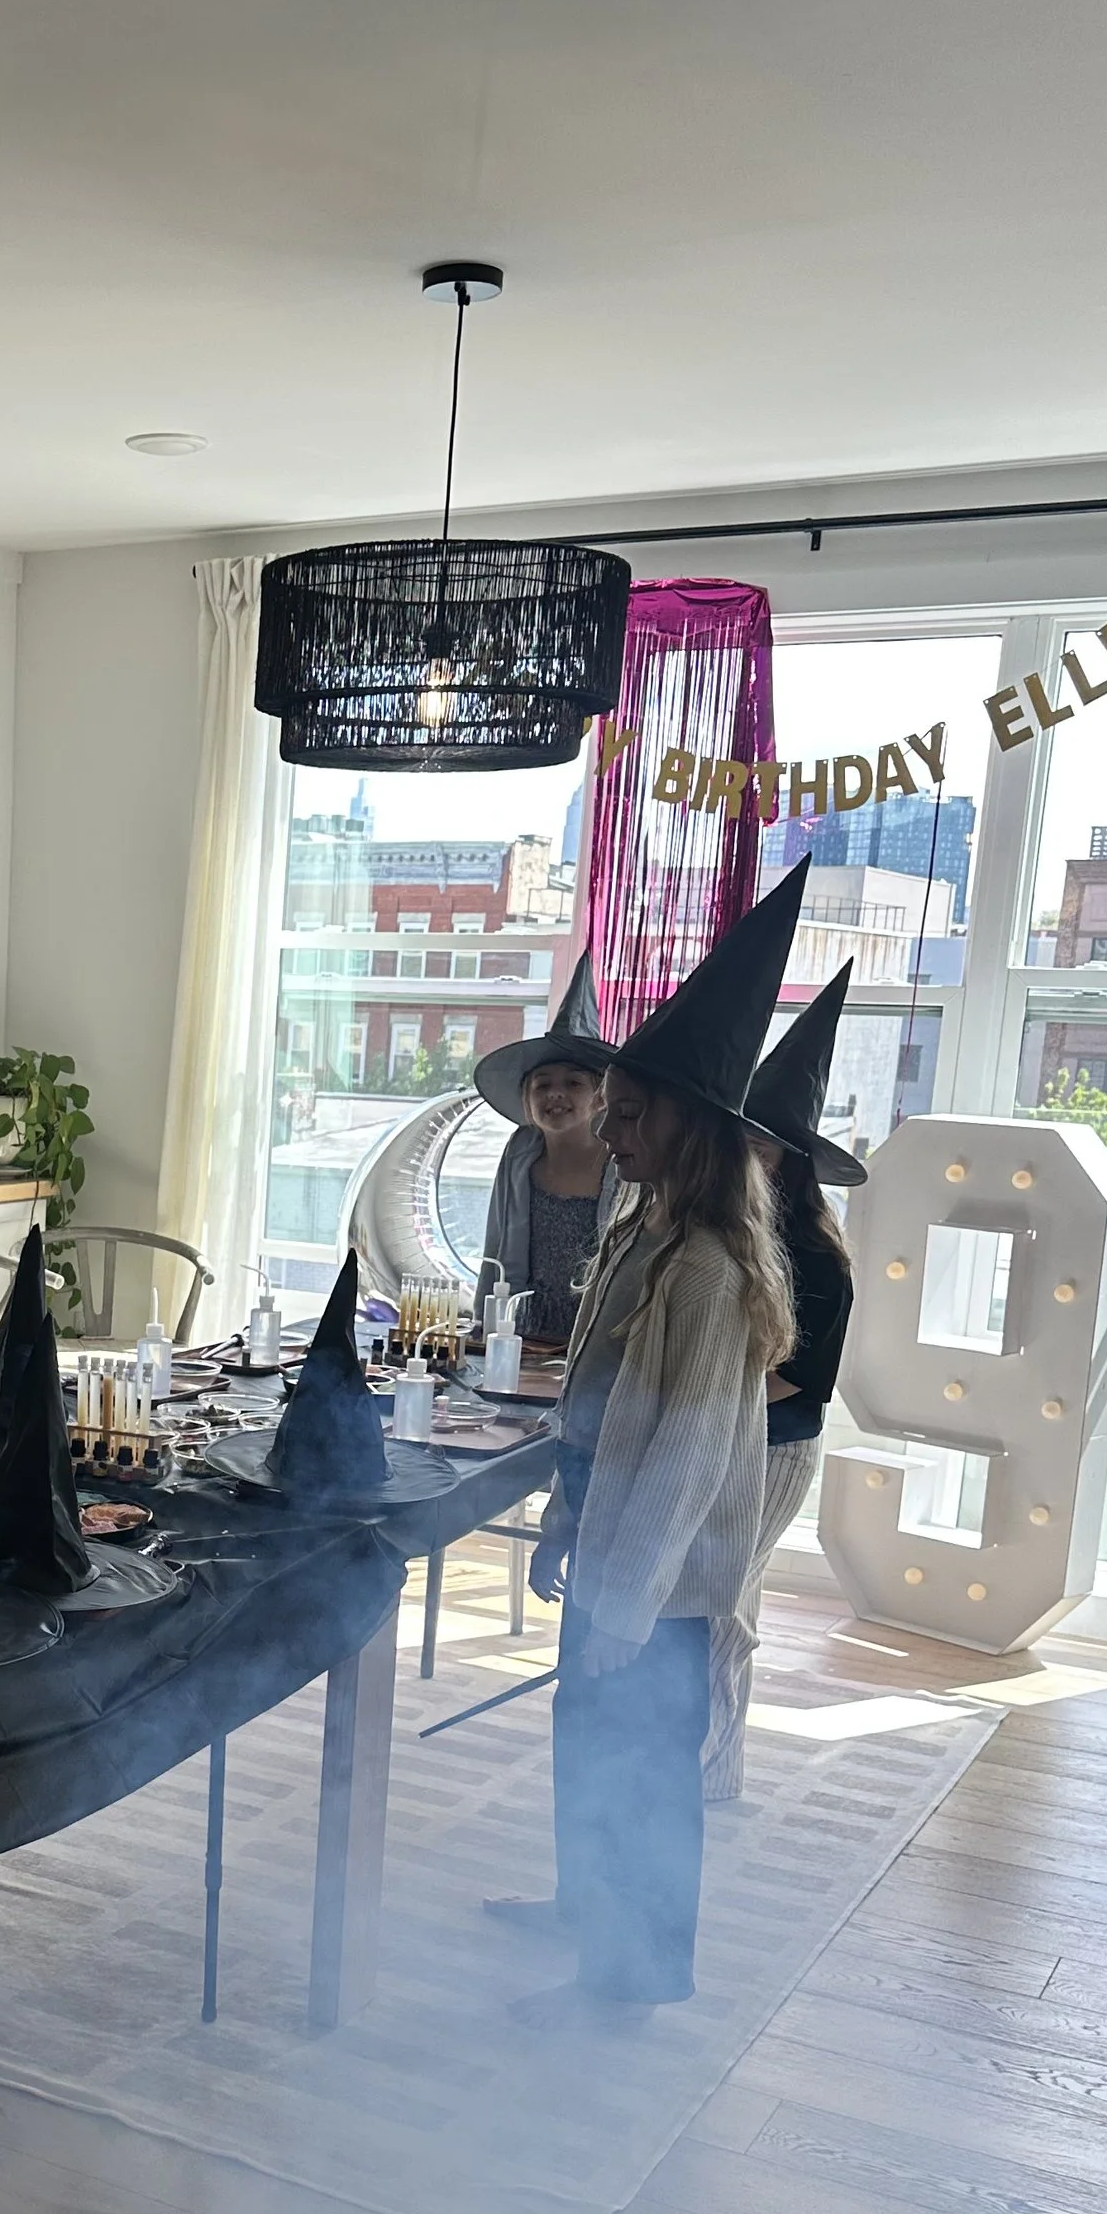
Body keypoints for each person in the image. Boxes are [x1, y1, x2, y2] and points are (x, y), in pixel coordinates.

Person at [487, 866, 806, 2020]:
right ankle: (592, 1928)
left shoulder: (711, 1271)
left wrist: (622, 1604)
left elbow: (675, 1463)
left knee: (640, 1775)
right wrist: (564, 1523)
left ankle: (628, 1980)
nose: (607, 1130)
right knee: (591, 1751)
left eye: (628, 1114)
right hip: (612, 1554)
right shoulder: (644, 1234)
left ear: (687, 1124)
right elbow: (596, 1407)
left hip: (661, 1585)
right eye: (608, 1111)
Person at [705, 964, 860, 1802]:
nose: (747, 1155)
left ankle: (710, 1773)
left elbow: (794, 1381)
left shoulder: (816, 1259)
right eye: (740, 1138)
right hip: (722, 1439)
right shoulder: (723, 1234)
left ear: (795, 1161)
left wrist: (693, 1404)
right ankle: (704, 1768)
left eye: (763, 1143)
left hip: (771, 1451)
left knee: (723, 1606)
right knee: (716, 1605)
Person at [473, 949, 623, 1350]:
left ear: (601, 1097)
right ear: (527, 1098)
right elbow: (497, 1246)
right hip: (526, 1327)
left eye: (574, 1083)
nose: (556, 1093)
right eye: (542, 1084)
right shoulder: (521, 1153)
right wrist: (482, 1327)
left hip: (598, 1331)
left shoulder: (622, 1161)